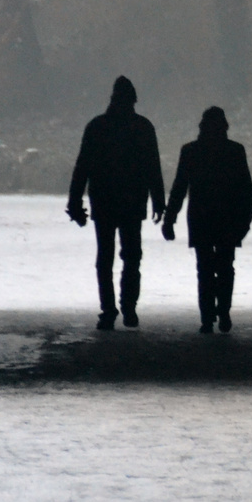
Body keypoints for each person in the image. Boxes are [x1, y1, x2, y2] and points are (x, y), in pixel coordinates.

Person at [67, 76, 166, 330]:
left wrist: (75, 202)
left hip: (104, 201)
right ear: (133, 99)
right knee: (132, 256)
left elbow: (82, 167)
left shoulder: (96, 127)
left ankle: (109, 310)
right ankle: (129, 308)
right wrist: (158, 200)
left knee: (105, 257)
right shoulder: (143, 127)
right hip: (132, 203)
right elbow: (152, 167)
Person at [162, 106, 252, 333]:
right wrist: (245, 222)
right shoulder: (235, 151)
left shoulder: (191, 151)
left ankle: (207, 317)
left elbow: (179, 188)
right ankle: (223, 312)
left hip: (200, 218)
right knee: (225, 268)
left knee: (204, 268)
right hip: (228, 219)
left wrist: (169, 219)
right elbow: (245, 189)